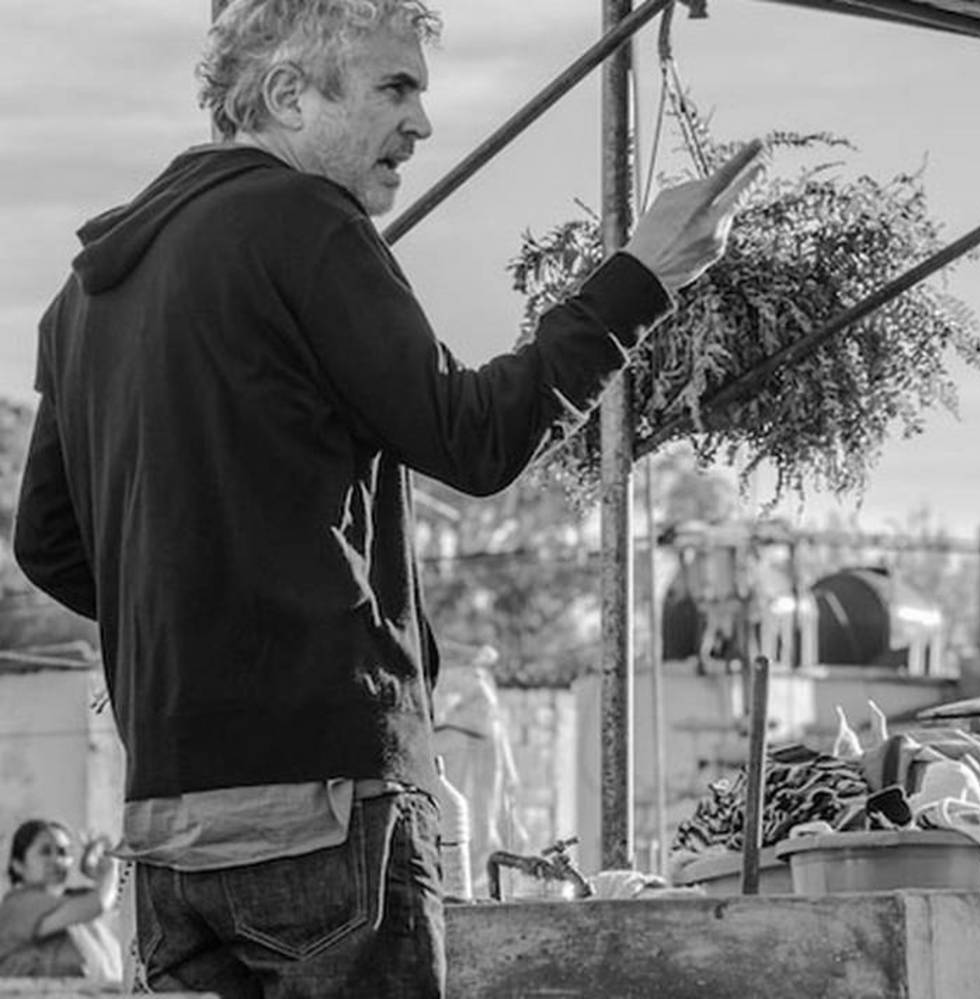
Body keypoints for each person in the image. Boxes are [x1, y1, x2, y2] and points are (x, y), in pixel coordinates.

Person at [11, 1, 761, 996]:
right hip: (326, 806)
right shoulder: (302, 221)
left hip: (169, 824)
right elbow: (473, 437)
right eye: (395, 87)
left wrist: (197, 630)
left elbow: (48, 544)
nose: (422, 122)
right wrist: (641, 276)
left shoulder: (84, 296)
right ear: (288, 93)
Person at [0, 820, 123, 982]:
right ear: (18, 865)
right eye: (45, 852)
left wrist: (98, 872)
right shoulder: (18, 905)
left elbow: (117, 900)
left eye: (63, 852)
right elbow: (98, 905)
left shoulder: (72, 899)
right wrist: (110, 868)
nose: (56, 860)